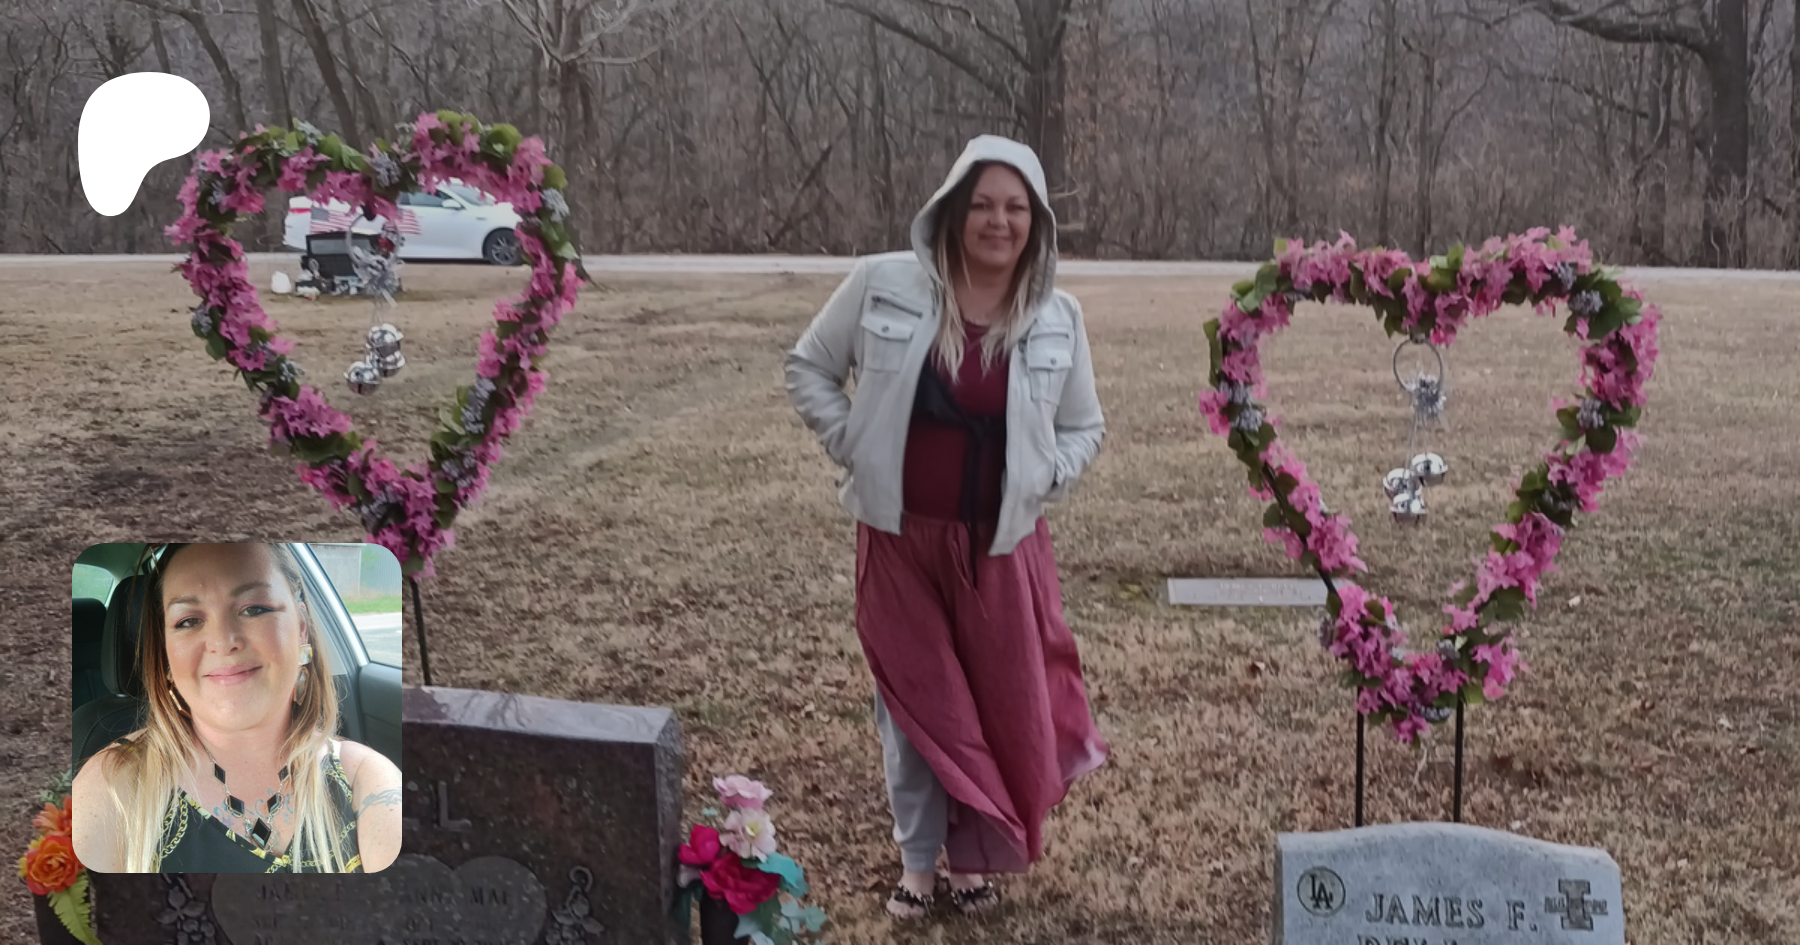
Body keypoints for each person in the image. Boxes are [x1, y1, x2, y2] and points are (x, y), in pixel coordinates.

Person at [784, 134, 1109, 919]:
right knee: (915, 706)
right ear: (954, 210)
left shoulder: (1057, 316)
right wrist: (852, 442)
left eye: (1016, 208)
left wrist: (1048, 475)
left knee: (994, 705)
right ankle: (917, 865)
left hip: (1001, 548)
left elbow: (1084, 425)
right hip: (900, 540)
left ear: (1036, 222)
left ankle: (971, 863)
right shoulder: (882, 283)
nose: (999, 221)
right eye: (984, 204)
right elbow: (809, 366)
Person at [71, 543, 402, 873]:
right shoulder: (111, 789)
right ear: (167, 654)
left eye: (254, 609)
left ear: (301, 627)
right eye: (188, 621)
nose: (222, 641)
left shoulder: (368, 782)